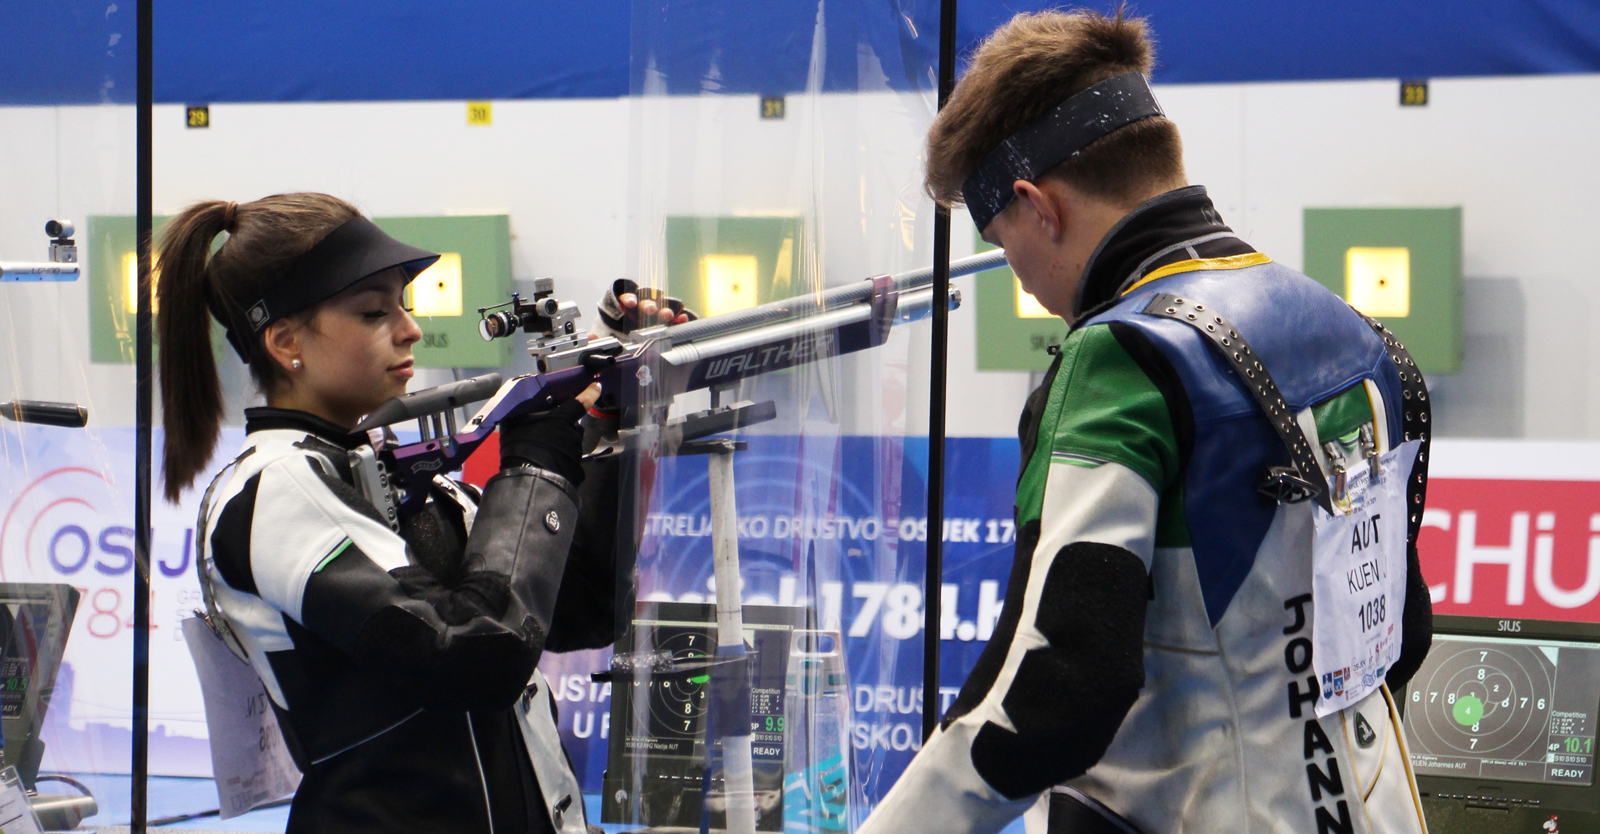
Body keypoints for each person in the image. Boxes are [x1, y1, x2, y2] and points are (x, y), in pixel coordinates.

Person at [859, 10, 1433, 834]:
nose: (1024, 284)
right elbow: (1400, 633)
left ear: (1036, 204)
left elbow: (1056, 691)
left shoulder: (1120, 360)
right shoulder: (1351, 328)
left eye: (1003, 243)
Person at [158, 193, 615, 834]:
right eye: (374, 312)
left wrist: (612, 430)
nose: (410, 329)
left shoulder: (371, 466)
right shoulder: (278, 486)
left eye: (405, 305)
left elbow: (582, 610)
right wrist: (535, 467)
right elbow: (474, 654)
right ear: (285, 341)